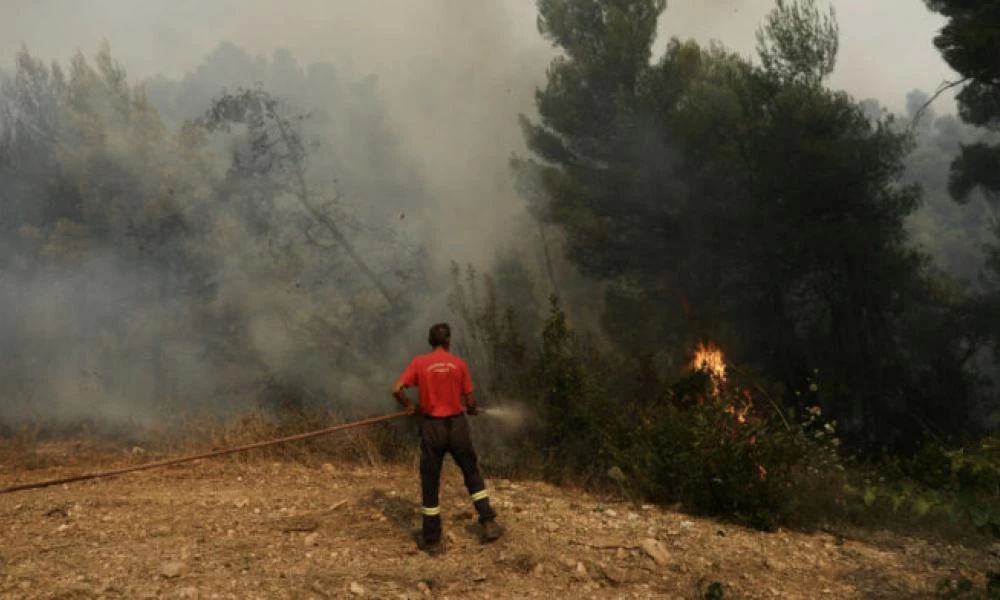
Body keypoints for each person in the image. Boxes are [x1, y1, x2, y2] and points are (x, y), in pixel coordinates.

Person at [392, 322, 503, 554]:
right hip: (457, 426)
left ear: (430, 341)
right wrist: (471, 408)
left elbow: (396, 389)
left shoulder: (419, 363)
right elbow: (469, 400)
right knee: (471, 472)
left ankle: (432, 540)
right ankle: (488, 522)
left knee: (430, 481)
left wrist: (409, 405)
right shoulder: (458, 364)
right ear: (448, 340)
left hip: (432, 428)